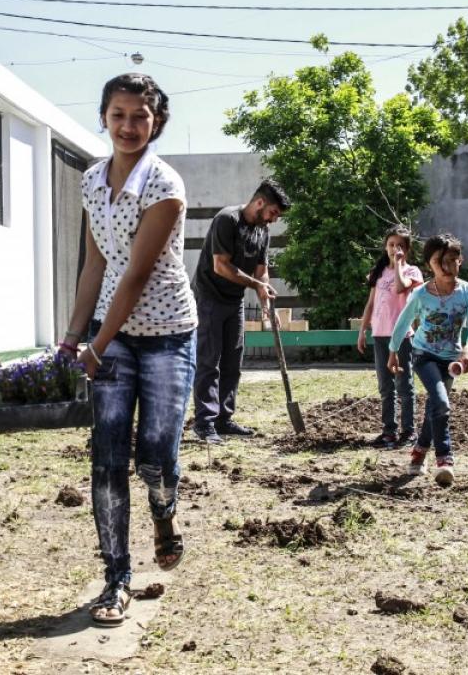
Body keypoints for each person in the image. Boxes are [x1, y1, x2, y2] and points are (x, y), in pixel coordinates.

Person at [58, 73, 196, 627]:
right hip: (108, 340)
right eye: (119, 114)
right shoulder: (92, 181)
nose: (129, 126)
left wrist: (96, 342)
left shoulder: (165, 185)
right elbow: (95, 265)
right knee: (108, 460)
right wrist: (73, 337)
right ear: (104, 117)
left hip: (166, 334)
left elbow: (135, 275)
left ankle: (164, 514)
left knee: (156, 455)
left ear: (156, 122)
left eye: (141, 116)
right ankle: (116, 579)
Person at [190, 179, 290, 444]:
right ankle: (204, 423)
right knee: (209, 361)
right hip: (208, 297)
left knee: (233, 362)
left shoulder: (262, 232)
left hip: (233, 301)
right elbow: (221, 266)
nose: (273, 219)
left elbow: (262, 271)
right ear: (259, 203)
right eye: (272, 213)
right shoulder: (227, 220)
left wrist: (266, 301)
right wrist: (256, 284)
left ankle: (223, 419)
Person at [388, 233, 468, 487]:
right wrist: (393, 350)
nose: (446, 267)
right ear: (428, 265)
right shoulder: (421, 294)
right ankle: (445, 460)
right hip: (423, 355)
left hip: (452, 360)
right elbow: (403, 321)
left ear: (460, 261)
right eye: (439, 262)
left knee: (435, 407)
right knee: (441, 402)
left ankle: (419, 451)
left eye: (452, 260)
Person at [357, 225, 424, 449]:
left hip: (402, 336)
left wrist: (399, 265)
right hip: (380, 335)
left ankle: (409, 431)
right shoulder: (378, 273)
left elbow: (399, 289)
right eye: (391, 245)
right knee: (385, 385)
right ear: (385, 247)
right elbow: (370, 304)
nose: (395, 249)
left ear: (407, 249)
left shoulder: (412, 272)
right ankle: (389, 431)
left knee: (404, 383)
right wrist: (362, 329)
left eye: (400, 246)